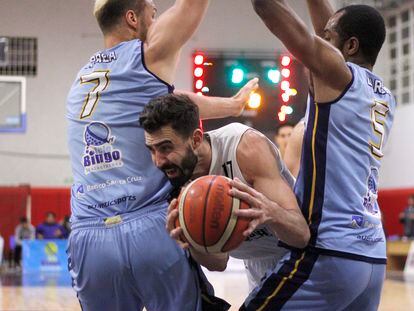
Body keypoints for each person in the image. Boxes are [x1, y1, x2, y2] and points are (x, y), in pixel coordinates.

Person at [66, 1, 257, 310]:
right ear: (132, 18)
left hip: (89, 239)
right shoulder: (146, 54)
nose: (156, 20)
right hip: (150, 226)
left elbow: (170, 103)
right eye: (152, 14)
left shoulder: (81, 83)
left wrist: (231, 107)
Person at [231, 1, 396, 310]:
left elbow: (269, 11)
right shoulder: (384, 97)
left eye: (328, 37)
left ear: (350, 46)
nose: (322, 41)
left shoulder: (338, 76)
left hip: (330, 252)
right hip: (372, 256)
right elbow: (326, 34)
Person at [140, 93, 310, 291]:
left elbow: (301, 235)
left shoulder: (244, 147)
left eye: (166, 148)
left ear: (195, 139)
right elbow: (218, 264)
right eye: (152, 150)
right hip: (257, 266)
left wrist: (271, 212)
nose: (158, 161)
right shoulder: (174, 176)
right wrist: (191, 242)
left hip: (303, 256)